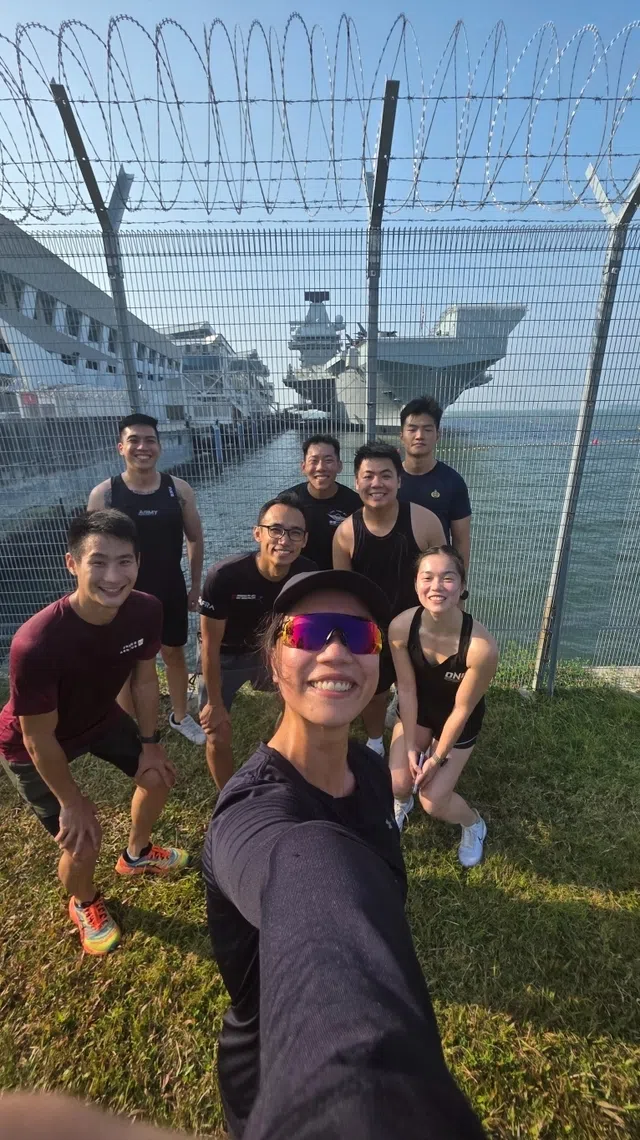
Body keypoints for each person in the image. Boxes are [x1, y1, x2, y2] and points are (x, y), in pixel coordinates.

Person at [202, 568, 486, 1140]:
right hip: (273, 1082)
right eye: (309, 632)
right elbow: (307, 885)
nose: (336, 651)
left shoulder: (370, 770)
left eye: (359, 637)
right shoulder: (251, 815)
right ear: (275, 660)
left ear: (378, 661)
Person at [0, 511, 189, 956]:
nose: (112, 576)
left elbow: (145, 680)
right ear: (72, 564)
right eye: (97, 562)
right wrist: (71, 802)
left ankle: (137, 854)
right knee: (83, 838)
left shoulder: (146, 609)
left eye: (124, 562)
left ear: (138, 563)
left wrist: (150, 743)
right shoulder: (37, 643)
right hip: (34, 744)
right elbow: (36, 738)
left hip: (100, 719)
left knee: (158, 777)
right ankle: (83, 900)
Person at [88, 413, 206, 745]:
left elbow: (195, 538)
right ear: (121, 447)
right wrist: (94, 597)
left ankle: (181, 716)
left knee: (174, 653)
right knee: (124, 659)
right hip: (121, 592)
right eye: (135, 440)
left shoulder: (178, 490)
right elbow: (91, 552)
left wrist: (195, 585)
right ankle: (128, 727)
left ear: (159, 446)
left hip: (169, 586)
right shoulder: (105, 495)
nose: (143, 447)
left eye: (150, 440)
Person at [333, 442, 445, 756]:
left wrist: (447, 630)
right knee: (375, 691)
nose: (377, 484)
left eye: (386, 475)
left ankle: (418, 741)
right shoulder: (345, 533)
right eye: (368, 476)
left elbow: (443, 583)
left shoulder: (426, 523)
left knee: (422, 692)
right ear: (356, 482)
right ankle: (374, 742)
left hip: (420, 627)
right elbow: (345, 594)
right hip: (372, 630)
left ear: (399, 481)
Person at [198, 492, 316, 789]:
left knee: (299, 714)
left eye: (294, 533)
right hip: (226, 656)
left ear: (304, 540)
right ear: (257, 533)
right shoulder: (224, 576)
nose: (284, 540)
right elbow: (209, 645)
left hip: (272, 651)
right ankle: (226, 796)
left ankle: (278, 772)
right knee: (217, 732)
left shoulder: (308, 574)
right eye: (275, 530)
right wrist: (214, 703)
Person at [389, 546, 498, 860]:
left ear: (462, 587)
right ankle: (401, 803)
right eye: (428, 577)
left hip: (458, 719)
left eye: (447, 578)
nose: (436, 586)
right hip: (419, 710)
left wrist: (435, 759)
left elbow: (462, 709)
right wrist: (411, 744)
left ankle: (473, 823)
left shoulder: (481, 648)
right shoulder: (400, 628)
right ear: (416, 584)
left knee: (434, 801)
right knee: (398, 782)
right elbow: (407, 690)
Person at [397, 397, 472, 569]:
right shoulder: (389, 481)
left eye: (427, 429)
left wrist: (461, 587)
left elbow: (461, 541)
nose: (419, 436)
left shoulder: (453, 482)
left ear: (438, 435)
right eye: (412, 429)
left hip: (433, 579)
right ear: (401, 435)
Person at [282, 433, 360, 569]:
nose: (321, 467)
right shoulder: (287, 502)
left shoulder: (355, 504)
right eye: (314, 461)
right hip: (297, 579)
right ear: (303, 467)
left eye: (328, 460)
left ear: (339, 466)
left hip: (339, 578)